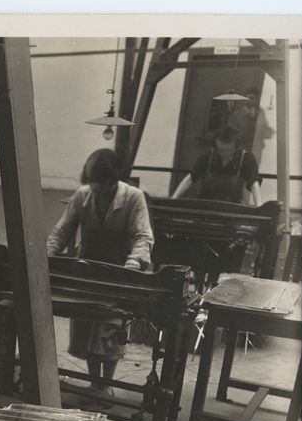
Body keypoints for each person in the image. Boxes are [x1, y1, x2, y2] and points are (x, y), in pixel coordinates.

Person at [47, 148, 154, 399]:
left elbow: (143, 237)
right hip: (88, 272)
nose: (96, 191)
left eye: (101, 187)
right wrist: (45, 258)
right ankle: (95, 386)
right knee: (85, 328)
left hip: (118, 273)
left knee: (109, 330)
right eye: (92, 185)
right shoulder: (83, 196)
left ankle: (106, 385)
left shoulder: (133, 198)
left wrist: (133, 265)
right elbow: (61, 232)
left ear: (113, 180)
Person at [171, 124, 263, 206]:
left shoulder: (246, 158)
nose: (222, 153)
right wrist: (173, 199)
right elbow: (190, 178)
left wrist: (259, 206)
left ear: (237, 146)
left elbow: (254, 182)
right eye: (219, 149)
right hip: (205, 208)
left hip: (232, 211)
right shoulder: (208, 155)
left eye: (227, 150)